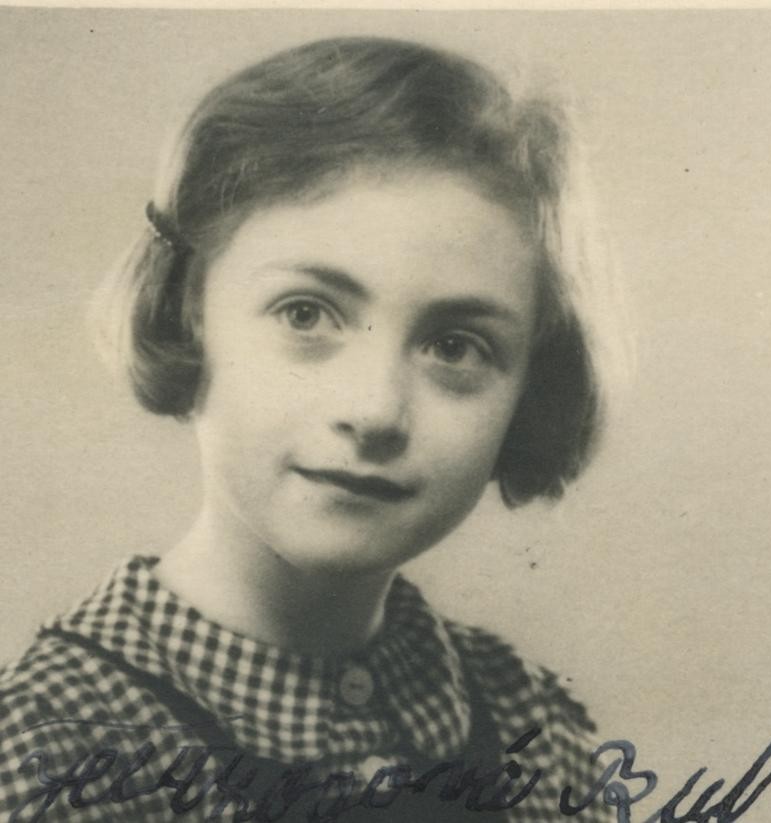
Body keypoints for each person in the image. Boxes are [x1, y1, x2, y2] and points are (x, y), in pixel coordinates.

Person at [0, 36, 624, 822]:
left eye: (454, 346)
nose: (374, 410)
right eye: (307, 314)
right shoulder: (47, 753)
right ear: (188, 311)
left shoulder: (535, 730)